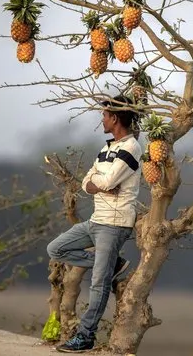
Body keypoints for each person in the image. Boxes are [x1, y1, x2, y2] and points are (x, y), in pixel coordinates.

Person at [47, 94, 142, 353]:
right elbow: (87, 181)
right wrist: (97, 185)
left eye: (104, 114)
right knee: (56, 249)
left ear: (115, 118)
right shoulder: (106, 148)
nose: (101, 118)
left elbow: (107, 181)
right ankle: (114, 264)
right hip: (95, 221)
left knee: (98, 284)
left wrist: (99, 183)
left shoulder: (131, 148)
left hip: (114, 223)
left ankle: (85, 337)